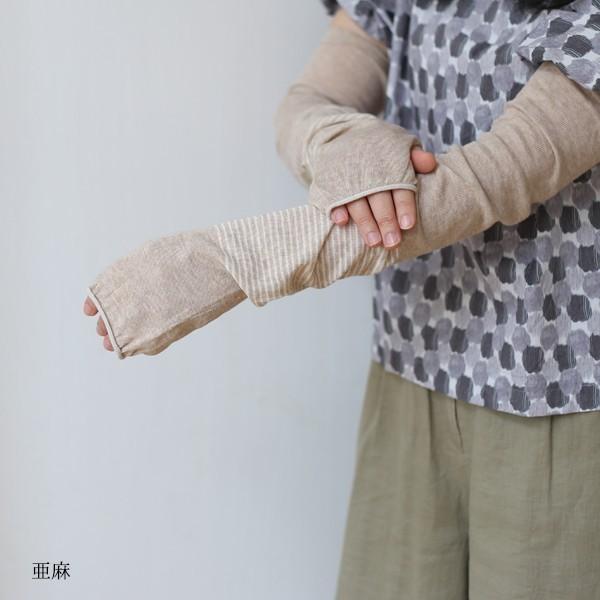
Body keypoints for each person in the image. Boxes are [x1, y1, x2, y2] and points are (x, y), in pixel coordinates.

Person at [83, 0, 600, 596]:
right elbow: (308, 101)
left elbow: (488, 180)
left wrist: (225, 261)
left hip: (557, 396)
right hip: (414, 364)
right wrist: (344, 143)